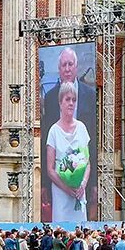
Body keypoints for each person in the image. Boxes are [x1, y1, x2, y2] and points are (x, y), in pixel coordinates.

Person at [45, 81, 91, 226]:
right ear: (60, 102)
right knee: (62, 226)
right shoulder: (53, 131)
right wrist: (67, 188)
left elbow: (87, 162)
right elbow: (50, 169)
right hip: (61, 191)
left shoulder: (82, 128)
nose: (71, 103)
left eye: (74, 100)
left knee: (80, 227)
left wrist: (82, 184)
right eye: (67, 99)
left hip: (79, 190)